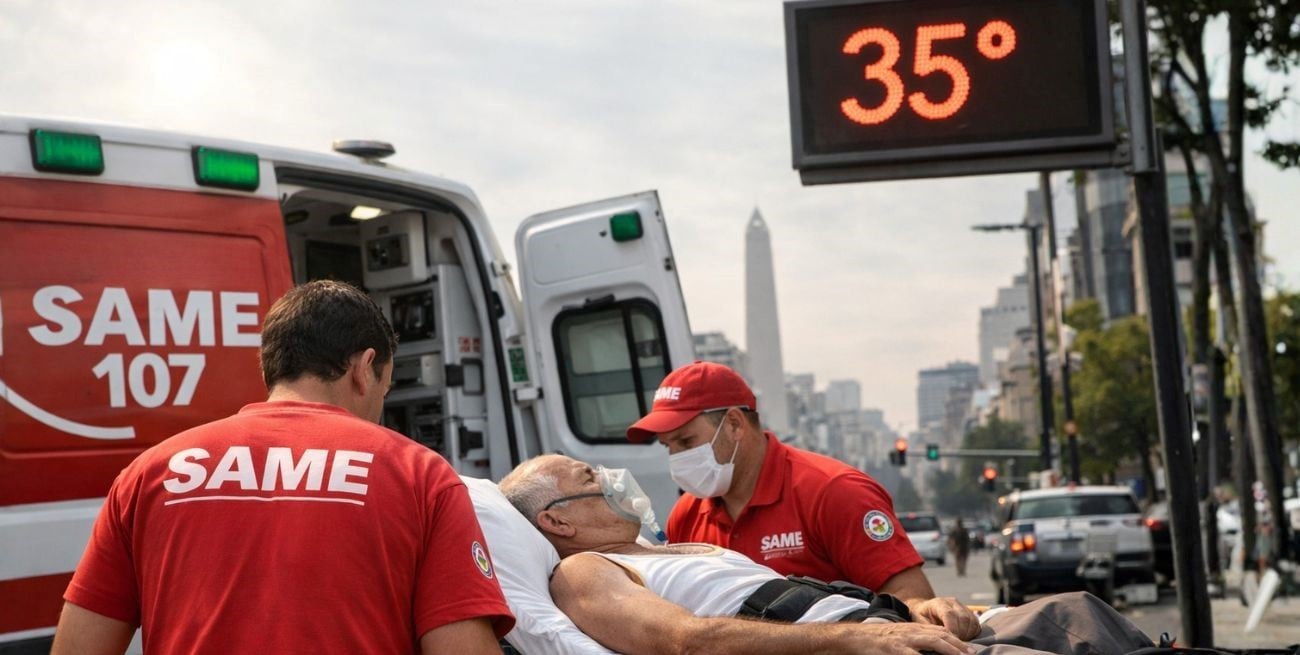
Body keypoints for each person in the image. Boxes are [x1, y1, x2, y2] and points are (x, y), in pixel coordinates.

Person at [52, 280, 514, 655]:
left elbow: (80, 647)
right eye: (385, 388)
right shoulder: (419, 475)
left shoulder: (150, 474)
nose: (379, 404)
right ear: (364, 367)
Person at [499, 454, 1154, 655]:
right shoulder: (586, 573)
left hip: (883, 620)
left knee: (1075, 609)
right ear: (558, 520)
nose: (613, 479)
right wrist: (857, 640)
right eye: (591, 478)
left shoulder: (670, 545)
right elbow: (687, 641)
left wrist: (920, 609)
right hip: (858, 644)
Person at [626, 361, 979, 638]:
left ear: (734, 424)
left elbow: (907, 596)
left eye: (686, 442)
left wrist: (926, 609)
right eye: (668, 447)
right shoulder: (687, 514)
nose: (676, 458)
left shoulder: (834, 492)